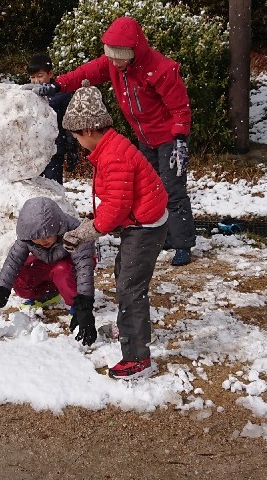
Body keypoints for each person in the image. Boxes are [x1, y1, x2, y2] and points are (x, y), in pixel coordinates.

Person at [36, 16, 195, 266]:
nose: (114, 62)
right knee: (151, 191)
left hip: (167, 139)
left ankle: (183, 243)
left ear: (134, 51)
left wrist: (180, 139)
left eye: (120, 57)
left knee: (172, 190)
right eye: (111, 57)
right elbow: (85, 73)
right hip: (144, 138)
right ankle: (164, 234)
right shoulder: (113, 64)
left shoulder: (161, 69)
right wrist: (58, 85)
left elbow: (180, 108)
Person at [58, 80, 168, 380]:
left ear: (89, 130)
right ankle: (131, 327)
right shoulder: (110, 146)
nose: (76, 142)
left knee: (130, 289)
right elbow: (116, 200)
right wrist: (95, 220)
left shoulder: (113, 155)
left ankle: (137, 358)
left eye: (76, 136)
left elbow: (117, 206)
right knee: (125, 276)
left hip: (144, 227)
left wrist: (86, 231)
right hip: (140, 222)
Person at [0, 197, 97, 345]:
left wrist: (84, 307)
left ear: (58, 227)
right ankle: (49, 294)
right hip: (48, 263)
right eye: (37, 238)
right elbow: (12, 263)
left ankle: (74, 303)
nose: (43, 241)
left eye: (48, 235)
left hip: (71, 267)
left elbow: (84, 268)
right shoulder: (27, 237)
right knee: (23, 273)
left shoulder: (75, 231)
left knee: (62, 270)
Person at [25, 54, 80, 184]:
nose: (36, 81)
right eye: (32, 77)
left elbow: (69, 123)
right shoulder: (27, 95)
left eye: (40, 76)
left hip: (54, 149)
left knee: (52, 184)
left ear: (50, 74)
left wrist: (71, 147)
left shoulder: (61, 95)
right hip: (33, 150)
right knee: (34, 186)